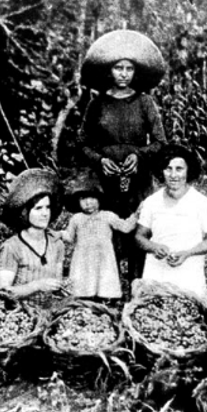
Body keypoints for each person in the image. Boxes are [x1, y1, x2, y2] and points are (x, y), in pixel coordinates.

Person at [79, 29, 168, 280]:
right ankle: (111, 286)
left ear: (136, 72)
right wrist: (101, 160)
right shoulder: (97, 104)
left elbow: (161, 141)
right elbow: (82, 143)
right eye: (119, 68)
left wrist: (139, 155)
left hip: (138, 178)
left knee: (139, 227)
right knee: (110, 230)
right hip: (106, 181)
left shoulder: (144, 102)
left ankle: (138, 284)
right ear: (109, 71)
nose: (124, 74)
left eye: (129, 69)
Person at [135, 145, 207, 301]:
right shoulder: (151, 202)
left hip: (188, 271)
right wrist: (154, 247)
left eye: (179, 169)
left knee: (190, 312)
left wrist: (188, 253)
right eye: (168, 169)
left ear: (188, 171)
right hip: (157, 271)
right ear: (161, 171)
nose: (173, 175)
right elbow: (140, 236)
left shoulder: (201, 202)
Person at [0, 168, 69, 306]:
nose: (45, 213)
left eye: (47, 207)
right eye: (38, 208)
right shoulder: (11, 247)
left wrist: (64, 288)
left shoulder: (56, 244)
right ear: (25, 212)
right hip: (21, 313)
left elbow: (57, 285)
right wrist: (36, 286)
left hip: (50, 312)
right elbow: (4, 293)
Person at [61, 173, 137, 301]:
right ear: (78, 201)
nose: (88, 203)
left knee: (104, 279)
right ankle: (84, 301)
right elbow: (69, 237)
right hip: (83, 257)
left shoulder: (107, 216)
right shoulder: (76, 219)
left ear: (100, 199)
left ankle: (106, 301)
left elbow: (125, 227)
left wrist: (137, 215)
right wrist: (58, 234)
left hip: (103, 256)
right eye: (83, 199)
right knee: (83, 281)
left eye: (92, 198)